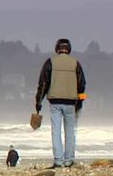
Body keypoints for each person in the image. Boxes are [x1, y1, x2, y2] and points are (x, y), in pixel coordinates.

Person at [35, 38, 86, 168]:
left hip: (55, 101)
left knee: (56, 132)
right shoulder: (75, 63)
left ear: (57, 48)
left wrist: (38, 101)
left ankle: (58, 161)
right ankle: (69, 161)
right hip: (71, 102)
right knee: (70, 132)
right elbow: (82, 85)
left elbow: (43, 83)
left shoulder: (50, 62)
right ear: (69, 49)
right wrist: (80, 101)